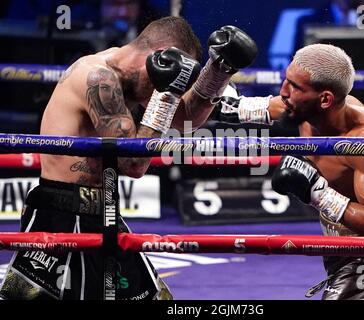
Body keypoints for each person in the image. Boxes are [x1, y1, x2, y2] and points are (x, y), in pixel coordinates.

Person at [0, 16, 257, 300]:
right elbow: (134, 163)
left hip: (103, 211)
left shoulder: (133, 79)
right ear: (157, 57)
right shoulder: (98, 77)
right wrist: (166, 94)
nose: (162, 90)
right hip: (61, 214)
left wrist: (218, 72)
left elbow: (182, 119)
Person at [215, 43, 364, 300]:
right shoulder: (304, 109)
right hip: (340, 247)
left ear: (325, 99)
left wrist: (318, 193)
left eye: (295, 87)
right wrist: (216, 72)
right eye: (286, 81)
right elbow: (233, 109)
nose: (283, 92)